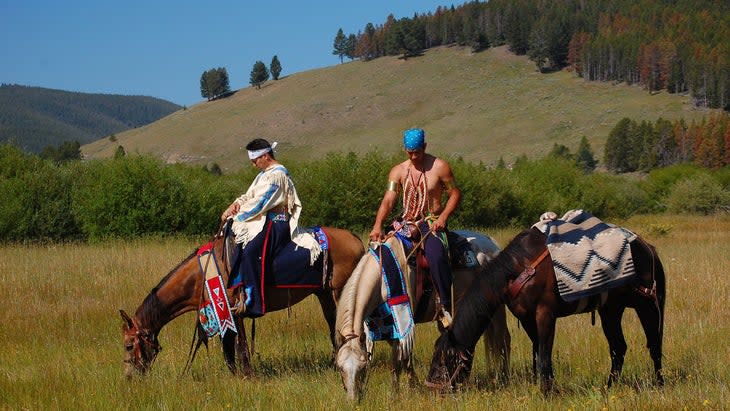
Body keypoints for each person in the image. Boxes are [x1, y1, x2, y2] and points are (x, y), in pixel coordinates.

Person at [369, 128, 462, 322]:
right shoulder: (398, 171)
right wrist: (377, 225)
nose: (413, 156)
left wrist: (443, 217)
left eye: (417, 152)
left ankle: (445, 306)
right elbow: (388, 201)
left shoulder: (440, 167)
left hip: (431, 223)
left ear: (425, 147)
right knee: (380, 253)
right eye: (409, 152)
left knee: (436, 255)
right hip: (405, 222)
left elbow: (455, 194)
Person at [221, 138, 304, 316]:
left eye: (255, 160)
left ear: (265, 156)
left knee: (251, 251)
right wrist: (234, 205)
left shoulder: (277, 175)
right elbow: (249, 195)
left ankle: (254, 302)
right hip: (263, 219)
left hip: (277, 221)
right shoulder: (263, 175)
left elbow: (261, 202)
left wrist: (238, 215)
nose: (253, 164)